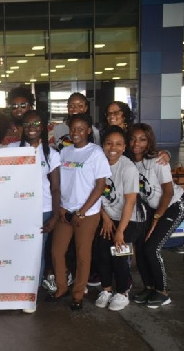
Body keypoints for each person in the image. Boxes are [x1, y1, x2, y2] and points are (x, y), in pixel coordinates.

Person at [47, 113, 111, 311]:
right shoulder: (64, 153)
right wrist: (62, 208)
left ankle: (77, 294)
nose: (76, 132)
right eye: (73, 129)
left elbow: (100, 186)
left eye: (81, 129)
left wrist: (82, 212)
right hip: (65, 211)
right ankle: (61, 288)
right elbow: (61, 184)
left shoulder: (96, 153)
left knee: (83, 255)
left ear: (89, 131)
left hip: (87, 214)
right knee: (57, 252)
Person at [129, 123, 184, 309]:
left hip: (173, 205)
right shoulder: (129, 162)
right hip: (152, 209)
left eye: (142, 139)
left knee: (152, 248)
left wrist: (157, 218)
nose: (136, 143)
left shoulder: (157, 161)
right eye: (132, 138)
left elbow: (168, 191)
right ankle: (149, 287)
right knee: (140, 246)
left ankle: (163, 292)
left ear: (149, 141)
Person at [11, 110, 61, 313]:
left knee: (37, 253)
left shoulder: (51, 154)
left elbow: (56, 188)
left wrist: (56, 216)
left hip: (43, 210)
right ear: (22, 127)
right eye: (27, 124)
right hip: (18, 210)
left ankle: (32, 292)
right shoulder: (13, 149)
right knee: (17, 250)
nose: (31, 128)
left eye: (36, 124)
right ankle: (14, 289)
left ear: (43, 127)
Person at [94, 126, 144, 311]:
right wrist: (106, 219)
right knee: (101, 252)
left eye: (118, 144)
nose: (112, 148)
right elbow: (94, 194)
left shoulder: (128, 168)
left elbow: (130, 202)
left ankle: (122, 292)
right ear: (103, 145)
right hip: (109, 217)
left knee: (119, 253)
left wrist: (120, 232)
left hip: (130, 220)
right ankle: (106, 289)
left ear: (124, 148)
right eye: (108, 143)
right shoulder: (98, 163)